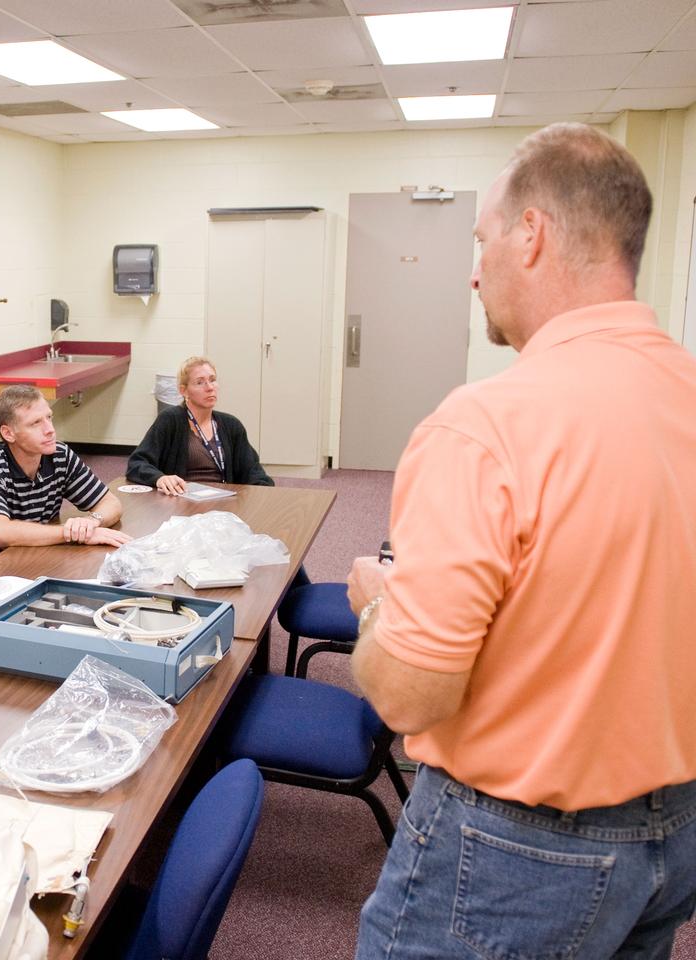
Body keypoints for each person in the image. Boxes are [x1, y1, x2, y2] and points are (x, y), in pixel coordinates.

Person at [346, 122, 696, 958]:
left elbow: (408, 697)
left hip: (514, 850)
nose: (473, 270)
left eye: (482, 239)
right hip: (675, 831)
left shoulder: (488, 424)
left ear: (531, 235)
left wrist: (379, 611)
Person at [0, 385, 132, 570]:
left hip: (39, 549)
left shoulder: (59, 454)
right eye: (35, 423)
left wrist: (90, 523)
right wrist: (68, 533)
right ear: (8, 433)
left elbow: (111, 503)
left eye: (49, 417)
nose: (50, 430)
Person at [126, 356, 273, 495]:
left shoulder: (231, 425)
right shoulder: (171, 420)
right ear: (183, 390)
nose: (210, 387)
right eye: (200, 382)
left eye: (212, 380)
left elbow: (252, 470)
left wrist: (264, 491)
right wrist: (159, 478)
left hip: (223, 502)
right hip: (182, 502)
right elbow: (137, 463)